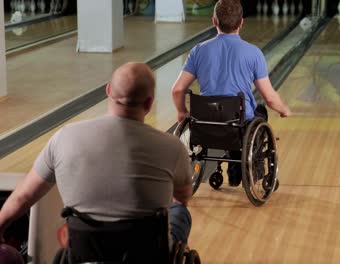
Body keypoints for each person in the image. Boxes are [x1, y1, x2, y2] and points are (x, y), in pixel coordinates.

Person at [0, 62, 193, 262]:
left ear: (108, 90)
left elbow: (22, 198)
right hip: (148, 254)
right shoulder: (172, 146)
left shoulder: (65, 138)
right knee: (179, 210)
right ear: (149, 102)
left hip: (84, 253)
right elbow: (183, 196)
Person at [172, 0, 290, 187]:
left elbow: (177, 89)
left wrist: (181, 111)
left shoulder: (198, 51)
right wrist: (283, 109)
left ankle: (233, 171)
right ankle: (249, 174)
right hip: (239, 122)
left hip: (205, 121)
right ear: (241, 22)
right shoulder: (254, 53)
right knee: (259, 113)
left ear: (214, 21)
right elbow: (269, 98)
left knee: (232, 116)